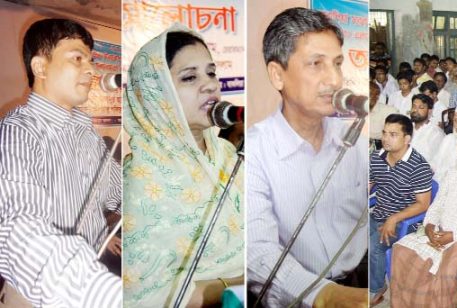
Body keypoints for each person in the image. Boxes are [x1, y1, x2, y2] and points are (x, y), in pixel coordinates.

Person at [247, 8, 368, 307]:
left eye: (337, 64)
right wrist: (324, 294)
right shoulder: (255, 151)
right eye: (316, 64)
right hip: (295, 296)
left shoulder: (354, 141)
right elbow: (257, 251)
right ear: (277, 75)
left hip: (360, 282)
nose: (334, 79)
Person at [0, 18, 121, 306]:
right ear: (40, 67)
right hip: (42, 293)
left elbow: (119, 192)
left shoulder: (86, 133)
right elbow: (18, 229)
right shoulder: (17, 132)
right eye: (77, 58)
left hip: (92, 268)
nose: (91, 69)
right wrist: (105, 296)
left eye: (90, 60)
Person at [123, 26, 246, 307]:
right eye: (190, 77)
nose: (211, 85)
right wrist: (231, 287)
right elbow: (145, 296)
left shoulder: (228, 155)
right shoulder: (141, 183)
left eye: (211, 73)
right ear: (158, 94)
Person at [389, 126, 457, 307]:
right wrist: (430, 226)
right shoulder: (451, 172)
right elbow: (437, 204)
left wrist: (453, 235)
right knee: (402, 251)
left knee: (447, 272)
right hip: (439, 231)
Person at [368, 114, 434, 305]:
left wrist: (394, 219)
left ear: (406, 139)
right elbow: (369, 185)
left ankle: (376, 287)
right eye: (384, 133)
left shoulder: (418, 165)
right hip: (379, 212)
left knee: (374, 247)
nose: (385, 138)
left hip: (405, 221)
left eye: (393, 134)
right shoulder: (377, 157)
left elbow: (423, 204)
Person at [408, 94, 445, 163]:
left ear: (429, 111)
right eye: (414, 106)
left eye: (421, 107)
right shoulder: (405, 128)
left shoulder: (436, 134)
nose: (415, 110)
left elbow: (437, 162)